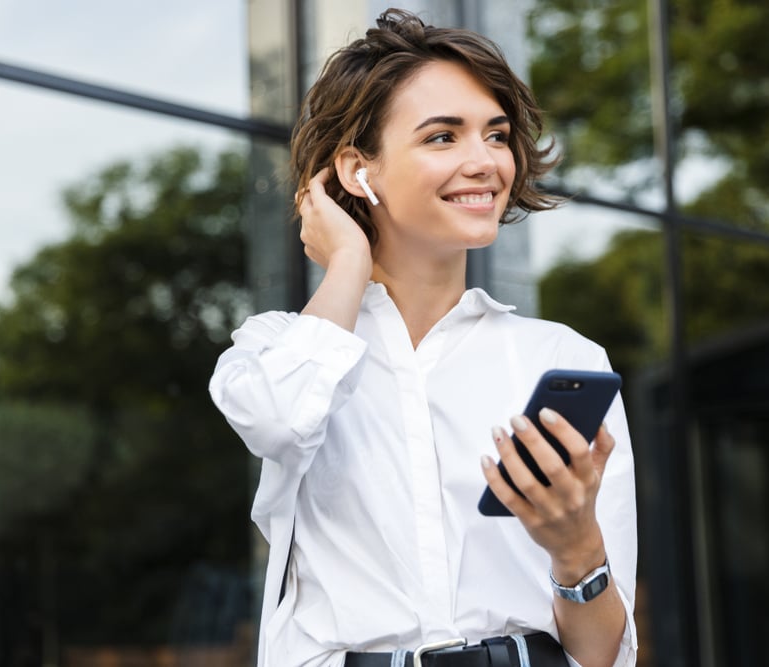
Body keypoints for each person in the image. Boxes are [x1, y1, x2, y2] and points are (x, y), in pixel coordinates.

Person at [209, 8, 637, 667]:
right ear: (358, 170)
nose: (485, 161)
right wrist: (347, 261)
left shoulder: (563, 358)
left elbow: (604, 652)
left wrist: (576, 546)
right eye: (443, 137)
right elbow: (278, 419)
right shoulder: (275, 349)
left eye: (496, 135)